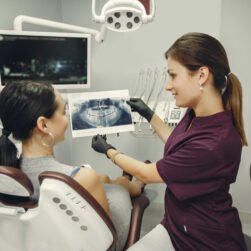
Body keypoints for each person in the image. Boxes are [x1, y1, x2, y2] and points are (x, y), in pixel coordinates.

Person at [91, 32, 248, 251]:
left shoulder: (214, 144)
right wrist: (149, 114)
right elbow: (178, 142)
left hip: (204, 239)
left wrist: (109, 151)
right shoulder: (197, 114)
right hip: (177, 225)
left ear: (202, 75)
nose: (167, 86)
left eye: (173, 75)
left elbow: (147, 174)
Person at [0, 81, 144, 251]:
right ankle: (131, 185)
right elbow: (108, 242)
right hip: (98, 245)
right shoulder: (80, 177)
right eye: (63, 111)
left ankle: (124, 181)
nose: (67, 117)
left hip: (43, 242)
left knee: (103, 179)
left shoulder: (10, 173)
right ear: (43, 125)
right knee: (117, 190)